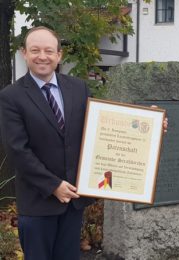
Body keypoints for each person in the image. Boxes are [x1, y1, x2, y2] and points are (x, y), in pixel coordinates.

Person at [0, 26, 95, 260]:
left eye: (49, 50)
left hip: (73, 201)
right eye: (35, 50)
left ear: (59, 55)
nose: (42, 56)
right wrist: (53, 185)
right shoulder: (11, 96)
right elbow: (17, 151)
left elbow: (101, 127)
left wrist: (149, 126)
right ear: (24, 53)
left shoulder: (78, 87)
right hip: (38, 203)